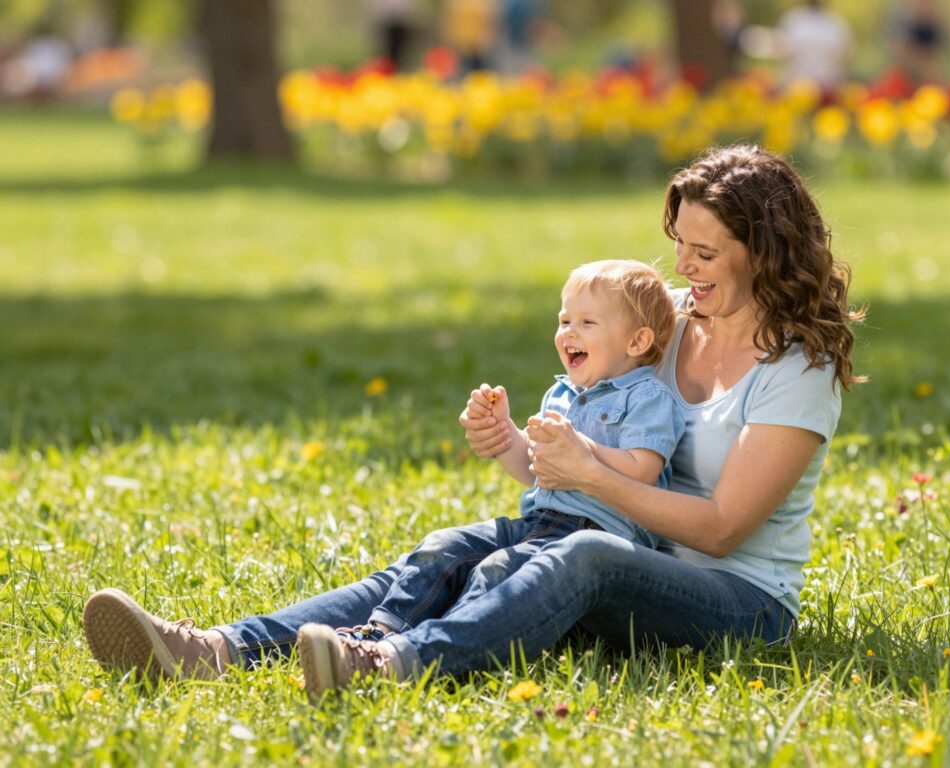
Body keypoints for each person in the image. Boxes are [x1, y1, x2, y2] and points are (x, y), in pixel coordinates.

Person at [81, 145, 863, 704]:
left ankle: (390, 662)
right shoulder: (659, 333)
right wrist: (524, 454)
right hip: (626, 541)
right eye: (679, 247)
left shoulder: (797, 371)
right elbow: (584, 467)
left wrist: (589, 474)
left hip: (734, 601)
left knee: (583, 555)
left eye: (706, 252)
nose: (683, 270)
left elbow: (723, 529)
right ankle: (213, 649)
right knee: (455, 549)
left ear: (763, 251)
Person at [295, 259, 685, 701]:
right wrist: (505, 436)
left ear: (637, 340)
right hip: (541, 522)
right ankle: (375, 636)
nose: (568, 332)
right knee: (443, 547)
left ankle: (439, 657)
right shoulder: (561, 394)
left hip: (594, 536)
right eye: (564, 320)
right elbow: (534, 470)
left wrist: (583, 450)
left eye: (587, 322)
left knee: (495, 571)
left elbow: (642, 469)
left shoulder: (649, 397)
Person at [777, 0, 852, 97]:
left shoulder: (837, 25)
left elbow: (847, 60)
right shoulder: (791, 21)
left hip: (828, 94)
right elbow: (781, 56)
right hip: (794, 93)